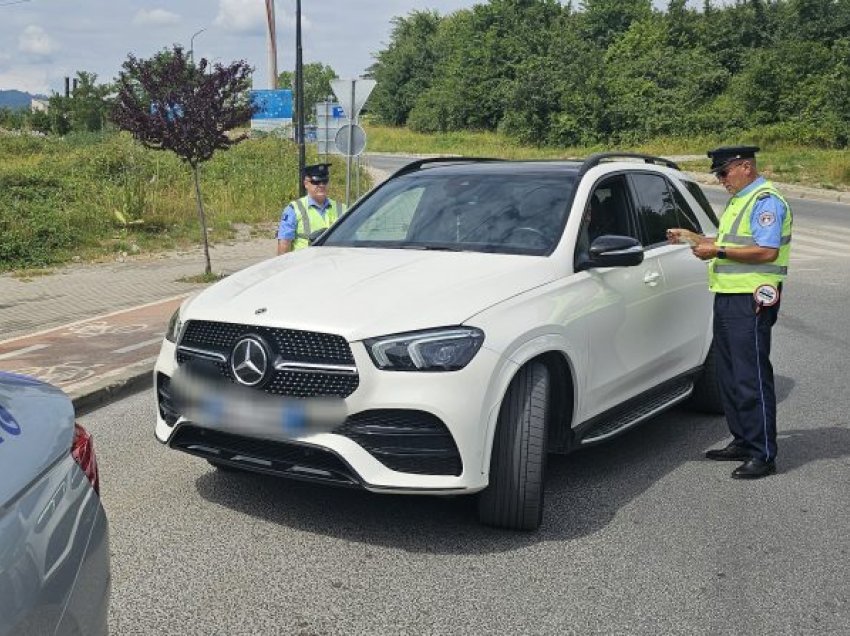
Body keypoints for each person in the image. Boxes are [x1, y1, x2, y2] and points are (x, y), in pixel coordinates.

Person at [667, 145, 792, 479]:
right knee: (729, 373)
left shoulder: (765, 200)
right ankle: (743, 439)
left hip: (751, 298)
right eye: (719, 174)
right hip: (728, 295)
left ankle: (763, 453)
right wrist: (695, 238)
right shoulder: (740, 200)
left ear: (746, 167)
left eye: (724, 172)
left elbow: (766, 251)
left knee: (750, 375)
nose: (721, 179)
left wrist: (717, 248)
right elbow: (732, 242)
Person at [276, 163, 346, 255]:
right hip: (304, 264)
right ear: (306, 184)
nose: (321, 185)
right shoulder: (294, 209)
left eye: (324, 181)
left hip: (334, 264)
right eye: (316, 182)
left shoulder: (342, 208)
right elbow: (284, 244)